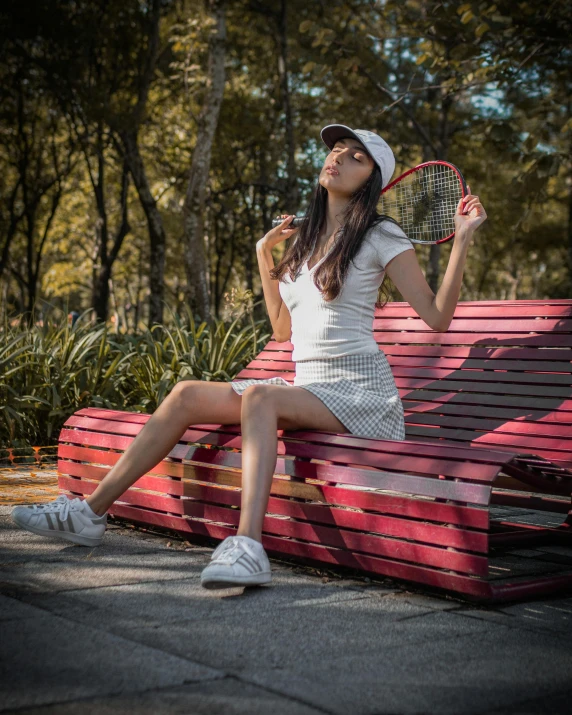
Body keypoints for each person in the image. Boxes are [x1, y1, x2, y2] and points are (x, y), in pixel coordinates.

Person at [11, 123, 487, 590]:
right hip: (311, 388)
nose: (337, 157)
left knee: (259, 396)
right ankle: (89, 513)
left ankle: (248, 547)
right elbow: (283, 330)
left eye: (355, 157)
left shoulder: (382, 235)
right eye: (336, 149)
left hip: (362, 394)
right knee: (185, 395)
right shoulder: (305, 240)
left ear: (372, 182)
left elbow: (438, 317)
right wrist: (264, 256)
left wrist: (462, 238)